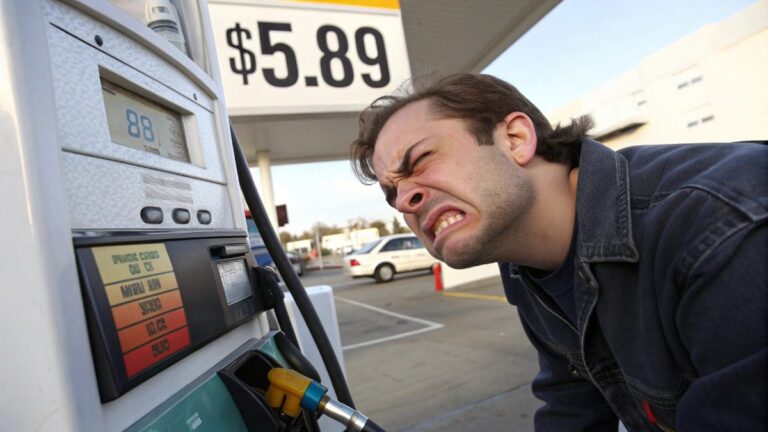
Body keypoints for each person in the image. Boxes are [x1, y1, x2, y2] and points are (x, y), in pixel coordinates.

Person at [349, 73, 767, 431]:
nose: (404, 200)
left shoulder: (718, 226)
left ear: (515, 138)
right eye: (392, 194)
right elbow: (572, 404)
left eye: (420, 159)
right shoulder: (524, 266)